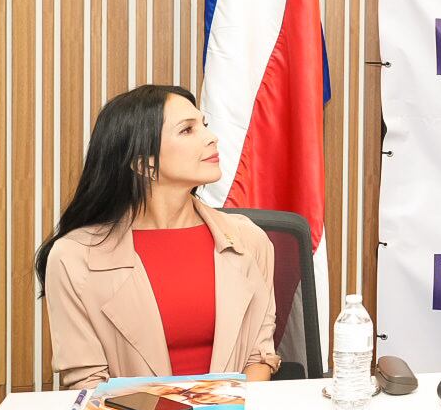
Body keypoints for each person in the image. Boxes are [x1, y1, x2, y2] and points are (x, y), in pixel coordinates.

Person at [37, 85, 281, 391]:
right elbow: (86, 383)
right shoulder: (73, 257)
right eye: (187, 130)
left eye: (203, 125)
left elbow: (260, 357)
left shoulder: (249, 240)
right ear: (144, 163)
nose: (211, 137)